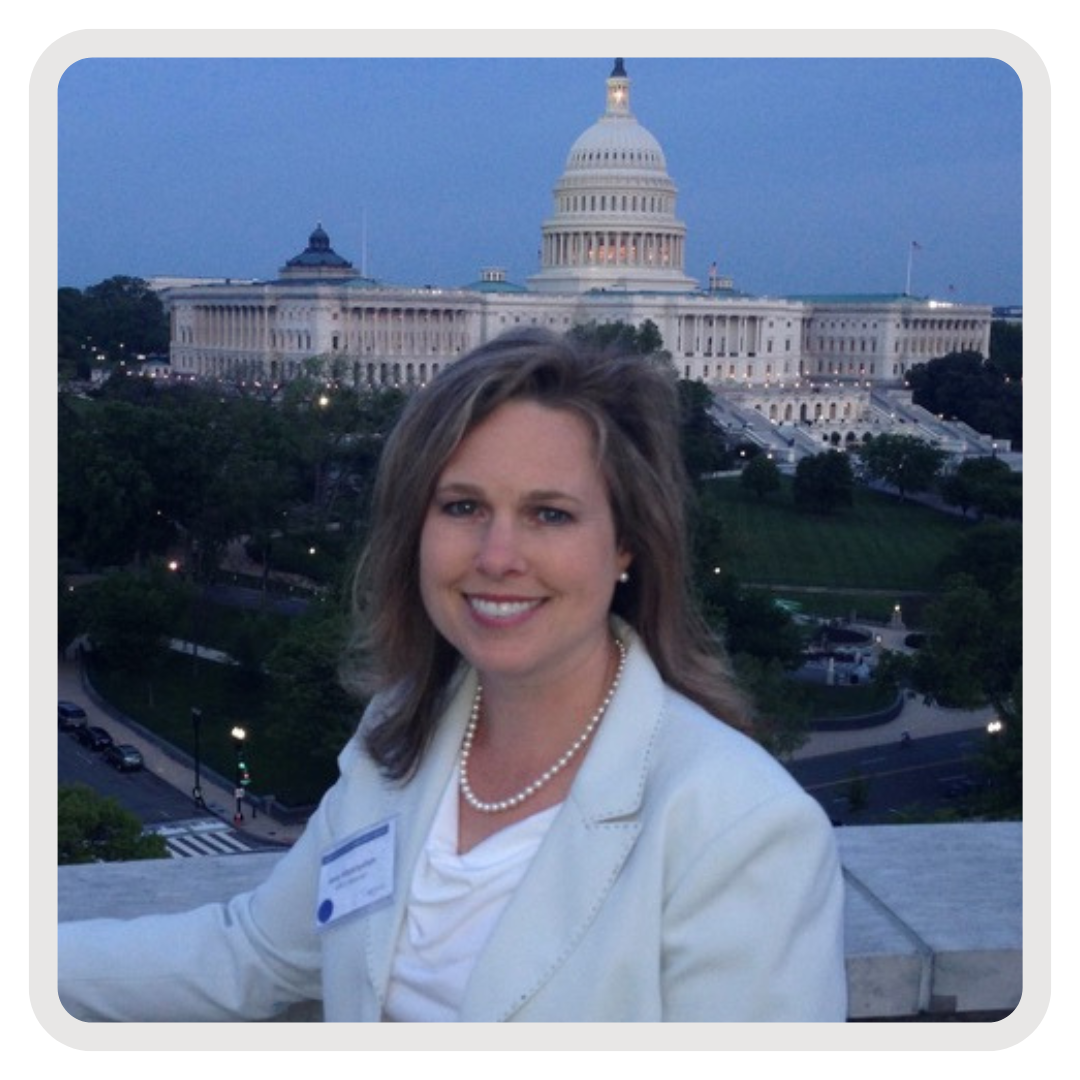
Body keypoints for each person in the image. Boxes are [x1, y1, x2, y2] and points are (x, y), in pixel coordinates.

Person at [59, 328, 847, 1022]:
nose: (497, 557)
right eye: (463, 507)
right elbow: (254, 958)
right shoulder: (399, 736)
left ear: (626, 546)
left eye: (550, 514)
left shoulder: (739, 828)